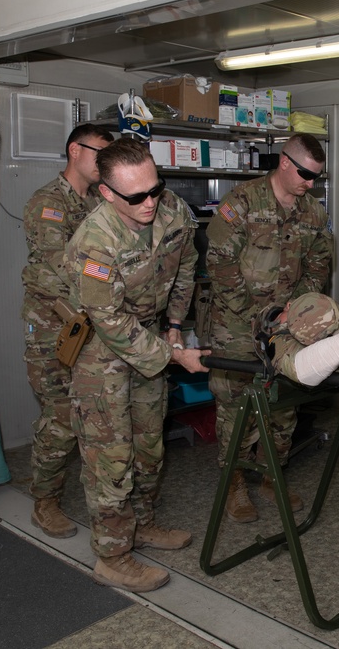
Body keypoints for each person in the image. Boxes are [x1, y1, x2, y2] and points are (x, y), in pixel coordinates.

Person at [64, 138, 211, 593]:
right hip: (100, 352)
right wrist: (174, 355)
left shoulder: (172, 213)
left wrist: (173, 325)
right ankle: (112, 555)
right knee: (112, 457)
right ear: (107, 193)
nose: (150, 202)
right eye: (136, 196)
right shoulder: (94, 242)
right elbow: (109, 322)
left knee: (149, 445)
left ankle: (141, 525)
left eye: (155, 189)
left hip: (151, 335)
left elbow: (185, 267)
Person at [205, 133, 332, 524]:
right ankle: (235, 483)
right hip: (237, 324)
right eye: (306, 175)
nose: (311, 185)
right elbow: (219, 263)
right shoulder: (241, 203)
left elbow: (318, 263)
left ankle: (271, 476)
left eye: (317, 178)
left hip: (286, 327)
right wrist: (252, 315)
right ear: (284, 162)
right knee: (236, 408)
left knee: (282, 407)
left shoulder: (313, 213)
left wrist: (298, 311)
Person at [21, 123, 114, 539]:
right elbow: (64, 267)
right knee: (59, 415)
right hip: (53, 328)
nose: (105, 164)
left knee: (91, 414)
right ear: (75, 150)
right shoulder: (48, 203)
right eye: (100, 154)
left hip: (91, 323)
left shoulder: (99, 201)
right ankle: (44, 499)